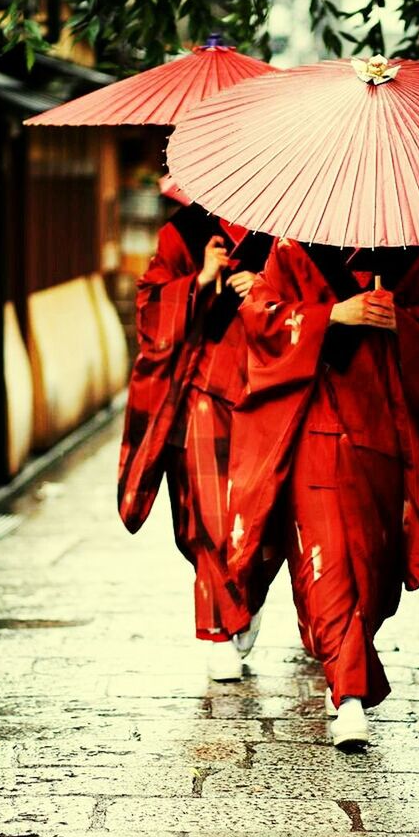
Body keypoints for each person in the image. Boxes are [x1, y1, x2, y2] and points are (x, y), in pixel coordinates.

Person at [226, 238, 419, 746]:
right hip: (315, 424)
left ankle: (345, 661)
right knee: (330, 557)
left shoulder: (409, 256)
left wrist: (406, 323)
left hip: (381, 430)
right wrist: (334, 314)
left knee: (371, 568)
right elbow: (261, 317)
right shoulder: (294, 251)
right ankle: (349, 698)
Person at [118, 200, 276, 681]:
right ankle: (218, 633)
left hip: (270, 386)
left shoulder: (290, 230)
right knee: (207, 517)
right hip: (203, 387)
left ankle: (245, 602)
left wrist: (269, 290)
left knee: (266, 518)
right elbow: (148, 308)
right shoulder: (184, 232)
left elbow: (313, 305)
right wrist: (203, 279)